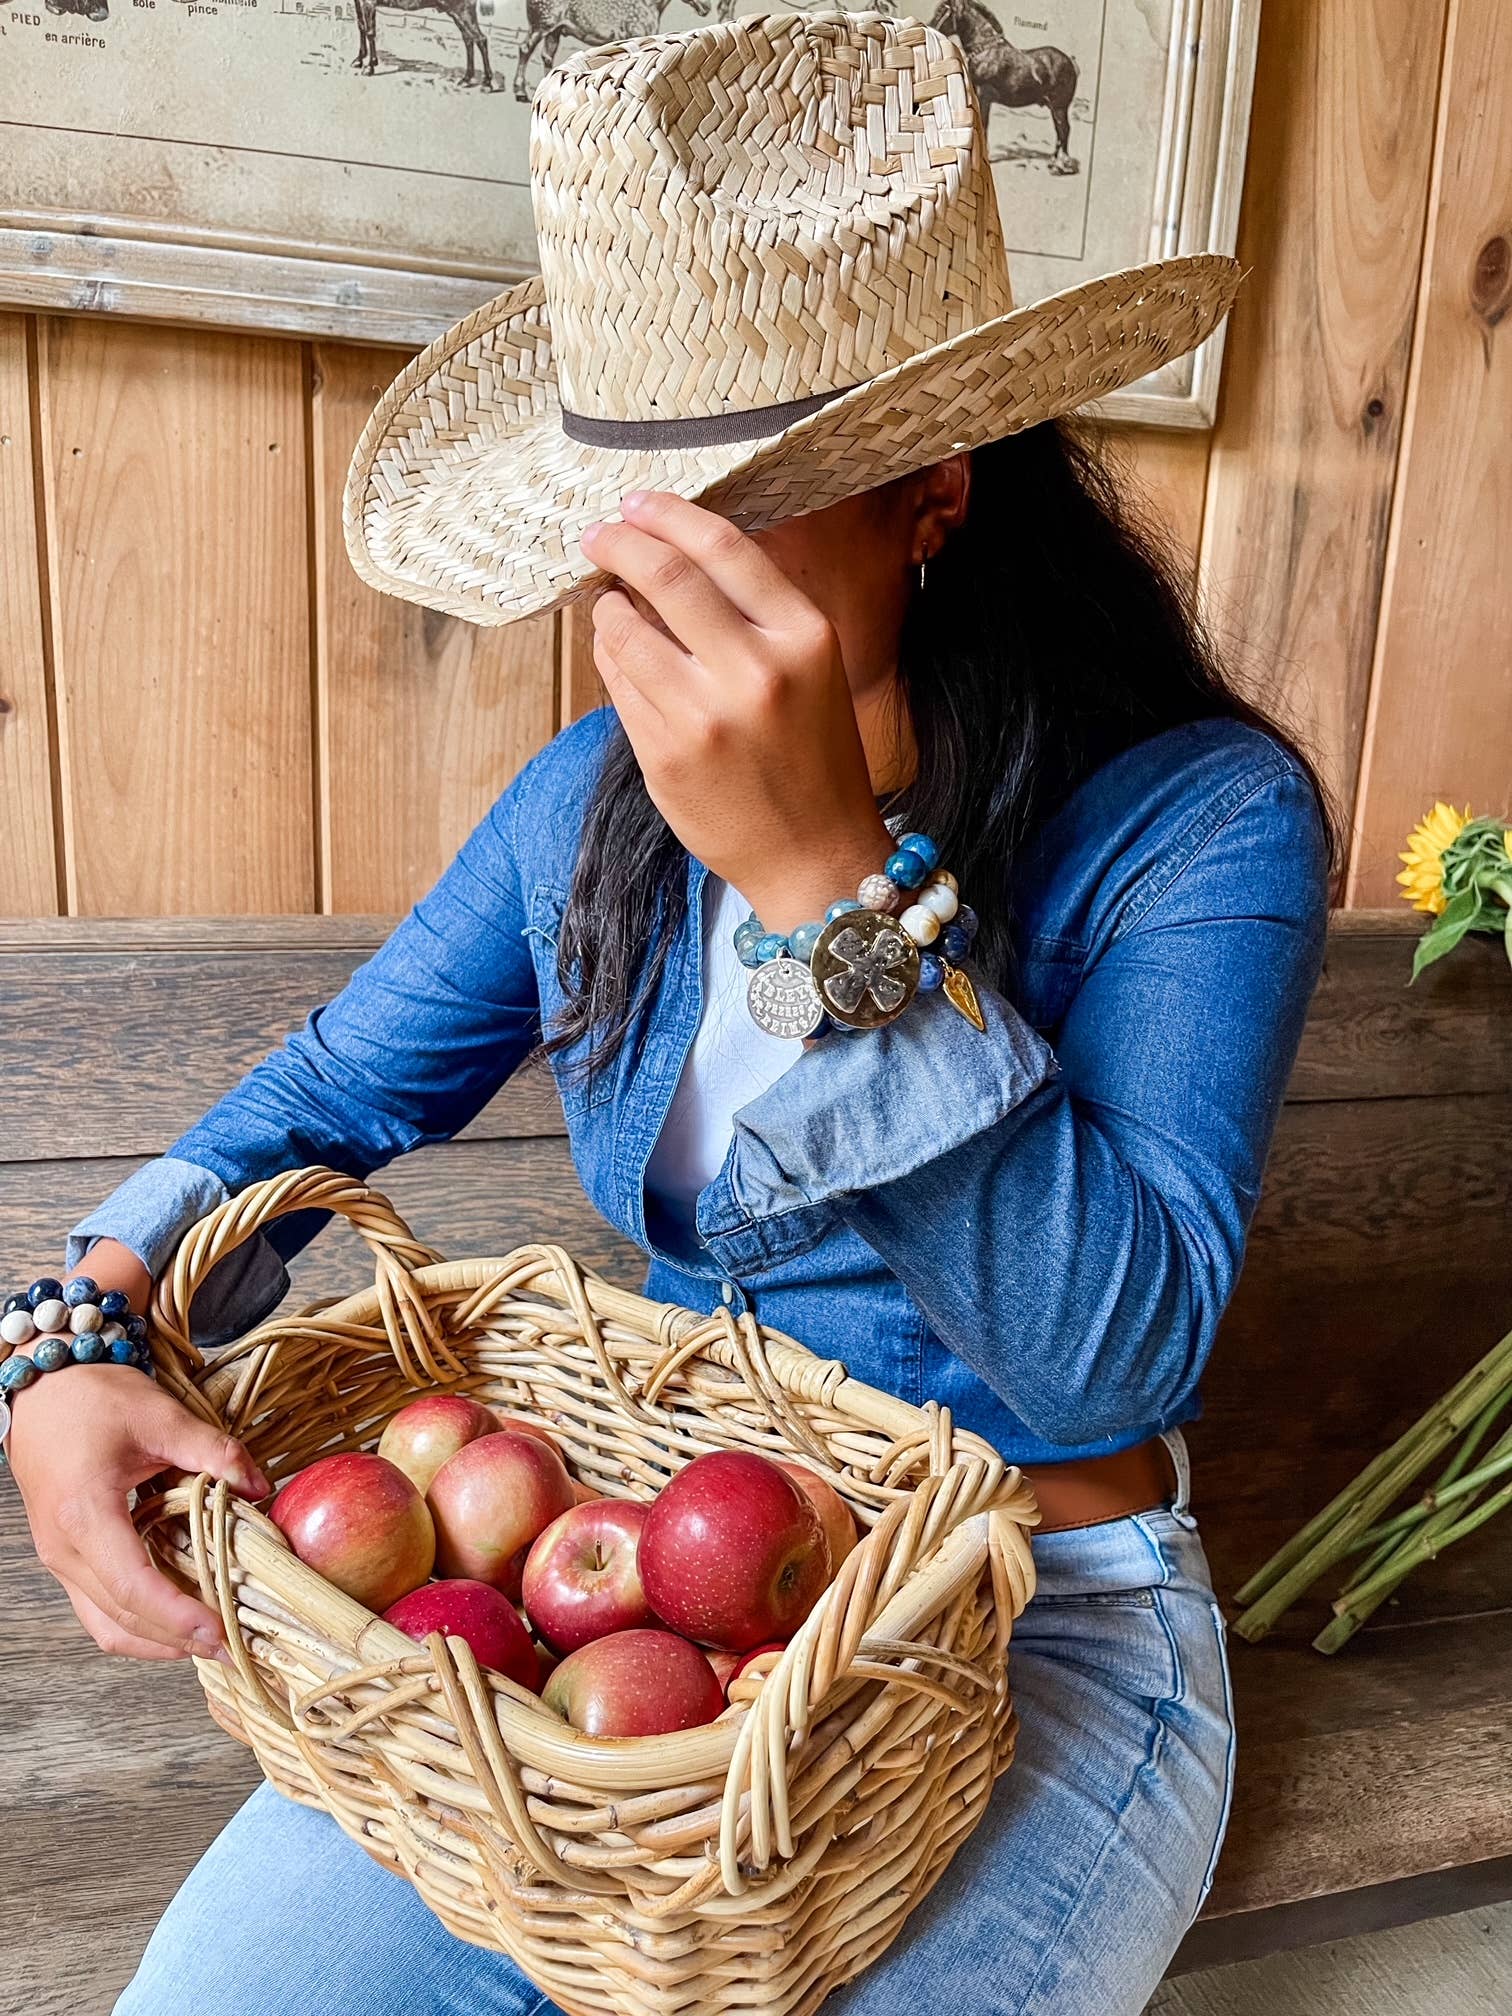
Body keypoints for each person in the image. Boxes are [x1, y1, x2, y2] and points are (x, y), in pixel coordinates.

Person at [4, 14, 1331, 2014]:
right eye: (615, 506)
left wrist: (824, 882)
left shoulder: (1194, 822)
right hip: (658, 1605)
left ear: (933, 499)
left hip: (1036, 1632)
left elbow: (1105, 1360)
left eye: (734, 502)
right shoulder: (587, 817)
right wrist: (70, 1333)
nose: (647, 577)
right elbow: (339, 1088)